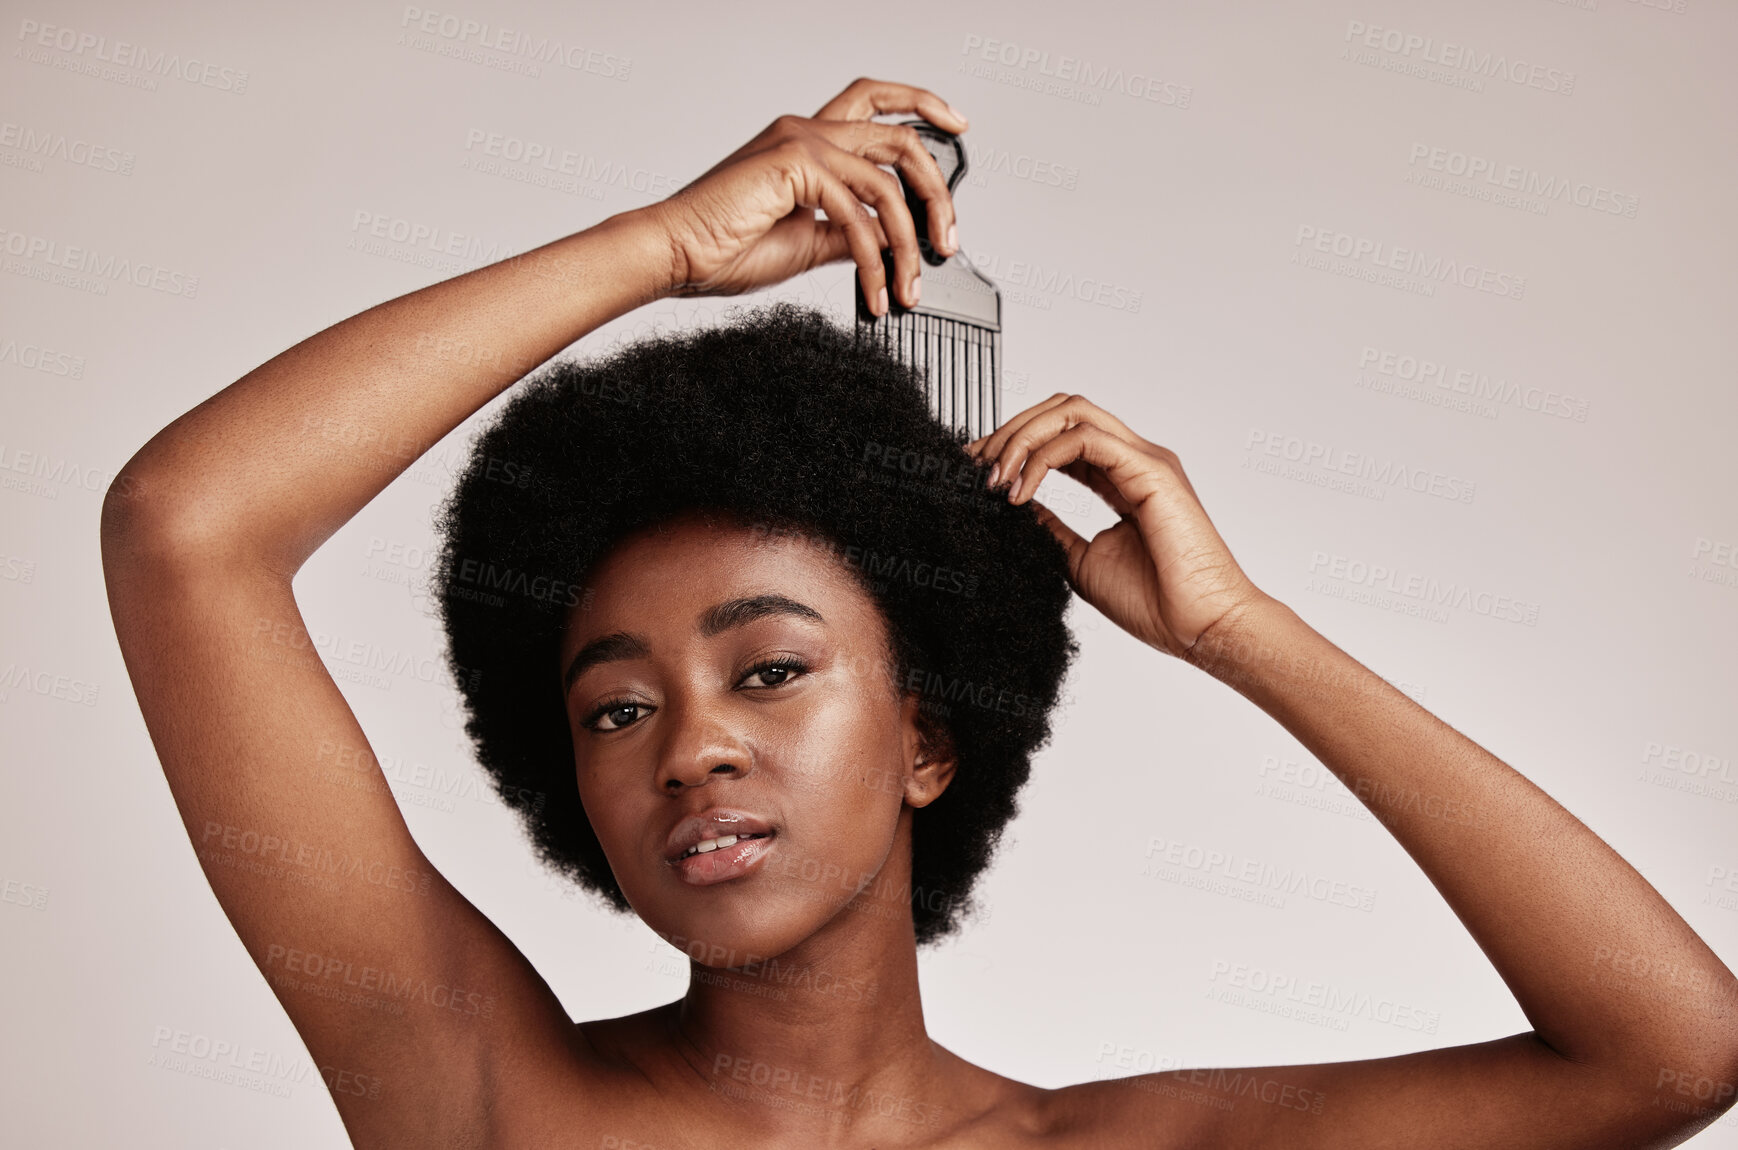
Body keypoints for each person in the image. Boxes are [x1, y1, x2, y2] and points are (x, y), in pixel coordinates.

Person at [101, 77, 1738, 1149]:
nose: (690, 749)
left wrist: (1238, 629)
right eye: (617, 705)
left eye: (771, 667)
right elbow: (188, 532)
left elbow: (1669, 1052)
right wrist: (659, 247)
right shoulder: (492, 1102)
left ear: (926, 741)